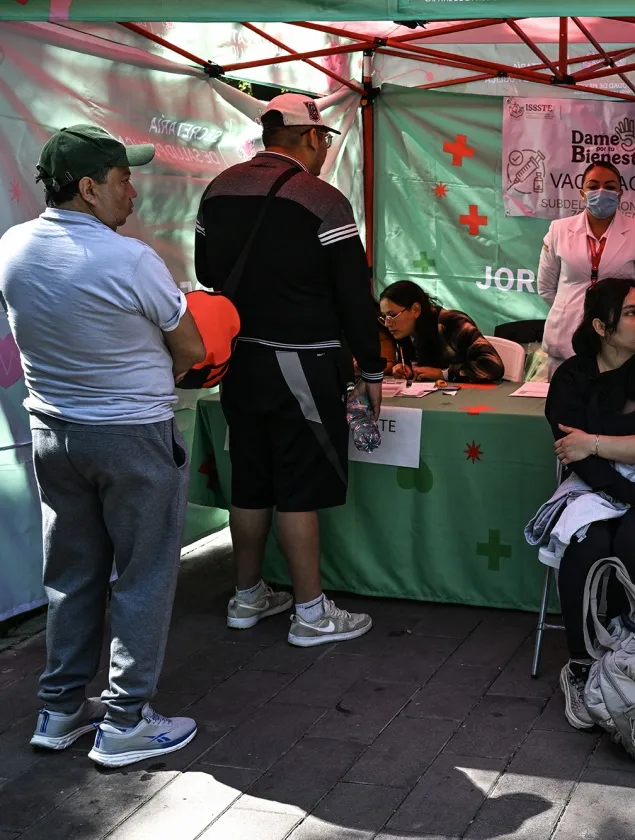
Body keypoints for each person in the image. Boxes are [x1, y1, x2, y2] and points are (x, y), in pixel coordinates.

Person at [0, 125, 205, 766]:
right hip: (131, 436)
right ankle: (125, 721)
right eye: (122, 180)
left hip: (54, 432)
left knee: (72, 573)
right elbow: (193, 348)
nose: (133, 192)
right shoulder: (130, 259)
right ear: (89, 188)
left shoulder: (13, 246)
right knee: (143, 575)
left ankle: (60, 707)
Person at [196, 94, 383, 647]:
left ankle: (247, 597)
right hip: (303, 360)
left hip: (240, 361)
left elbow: (207, 269)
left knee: (250, 480)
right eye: (324, 138)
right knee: (299, 483)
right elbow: (355, 294)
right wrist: (371, 369)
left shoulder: (217, 189)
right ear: (308, 137)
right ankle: (311, 613)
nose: (326, 149)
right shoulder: (322, 199)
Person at [542, 277, 635, 730]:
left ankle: (625, 657)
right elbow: (577, 459)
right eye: (632, 312)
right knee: (586, 545)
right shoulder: (572, 376)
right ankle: (582, 666)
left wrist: (595, 443)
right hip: (597, 487)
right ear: (602, 326)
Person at [537, 160, 635, 376]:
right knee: (566, 406)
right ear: (581, 193)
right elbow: (546, 288)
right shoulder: (559, 230)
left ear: (620, 193)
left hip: (619, 344)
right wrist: (576, 309)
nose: (601, 192)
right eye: (593, 186)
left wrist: (617, 315)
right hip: (565, 339)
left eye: (610, 187)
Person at [378, 280, 504, 382]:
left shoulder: (452, 322)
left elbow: (493, 366)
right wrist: (405, 369)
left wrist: (443, 374)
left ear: (415, 309)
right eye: (384, 317)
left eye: (392, 315)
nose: (387, 323)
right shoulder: (406, 333)